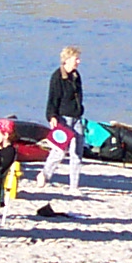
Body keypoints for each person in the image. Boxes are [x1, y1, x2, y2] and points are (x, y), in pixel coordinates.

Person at [42, 44, 85, 193]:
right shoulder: (57, 77)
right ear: (67, 59)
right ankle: (45, 175)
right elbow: (52, 98)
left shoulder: (76, 76)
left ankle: (74, 186)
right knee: (59, 151)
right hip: (63, 118)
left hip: (77, 117)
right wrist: (51, 116)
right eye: (76, 59)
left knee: (77, 151)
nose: (78, 62)